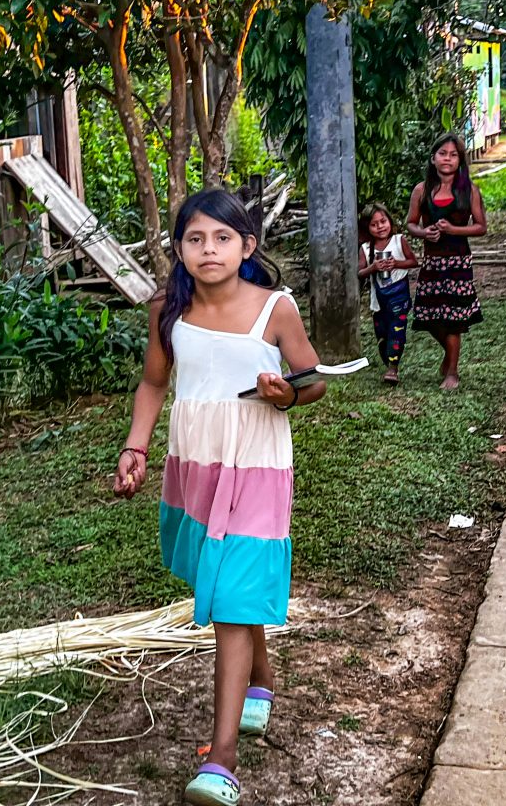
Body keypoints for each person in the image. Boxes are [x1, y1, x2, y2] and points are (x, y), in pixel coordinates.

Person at [114, 189, 326, 806]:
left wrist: (286, 394)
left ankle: (222, 758)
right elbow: (155, 384)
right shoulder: (166, 311)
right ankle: (260, 681)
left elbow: (310, 379)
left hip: (257, 463)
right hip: (196, 463)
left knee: (233, 596)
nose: (209, 250)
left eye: (223, 238)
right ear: (178, 249)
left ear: (247, 246)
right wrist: (136, 448)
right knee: (221, 578)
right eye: (196, 239)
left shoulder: (275, 309)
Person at [406, 132, 486, 390]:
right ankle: (449, 356)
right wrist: (423, 232)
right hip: (432, 262)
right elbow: (411, 223)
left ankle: (452, 372)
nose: (447, 159)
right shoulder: (422, 190)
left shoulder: (469, 190)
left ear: (460, 160)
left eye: (453, 155)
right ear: (433, 158)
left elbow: (481, 227)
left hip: (459, 262)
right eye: (443, 154)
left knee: (454, 318)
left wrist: (454, 230)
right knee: (428, 316)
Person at [358, 203, 418, 385]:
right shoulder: (366, 248)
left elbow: (413, 261)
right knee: (382, 333)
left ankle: (393, 368)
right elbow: (360, 272)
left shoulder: (399, 241)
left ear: (390, 221)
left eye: (383, 221)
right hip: (379, 299)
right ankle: (389, 359)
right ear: (367, 228)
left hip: (399, 295)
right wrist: (373, 267)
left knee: (397, 330)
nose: (380, 227)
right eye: (374, 224)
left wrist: (396, 264)